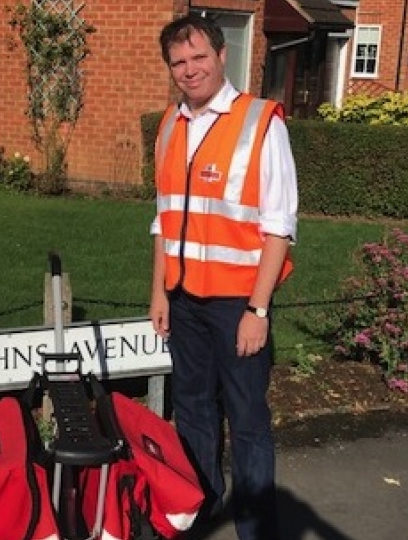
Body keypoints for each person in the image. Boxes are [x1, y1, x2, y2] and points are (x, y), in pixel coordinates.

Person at [149, 14, 298, 540]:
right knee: (191, 409)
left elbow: (279, 227)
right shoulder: (171, 124)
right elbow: (163, 219)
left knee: (248, 421)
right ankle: (202, 505)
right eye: (179, 63)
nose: (190, 70)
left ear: (221, 55)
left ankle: (257, 528)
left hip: (238, 305)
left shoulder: (262, 122)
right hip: (184, 299)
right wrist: (160, 292)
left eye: (199, 57)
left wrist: (258, 311)